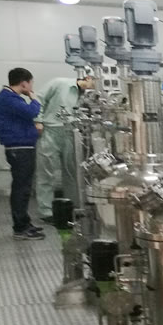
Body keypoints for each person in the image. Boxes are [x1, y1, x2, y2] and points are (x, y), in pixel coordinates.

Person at [35, 70, 93, 220]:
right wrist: (38, 120)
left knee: (72, 172)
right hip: (51, 130)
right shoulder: (59, 83)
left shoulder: (89, 97)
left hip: (72, 133)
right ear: (88, 77)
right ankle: (46, 211)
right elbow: (38, 99)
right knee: (46, 172)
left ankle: (72, 207)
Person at [0, 67, 44, 239]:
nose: (31, 87)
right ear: (24, 83)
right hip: (19, 148)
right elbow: (32, 111)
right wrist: (34, 98)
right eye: (31, 83)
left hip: (22, 147)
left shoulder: (11, 98)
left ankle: (24, 222)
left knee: (24, 187)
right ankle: (20, 228)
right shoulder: (8, 98)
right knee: (21, 188)